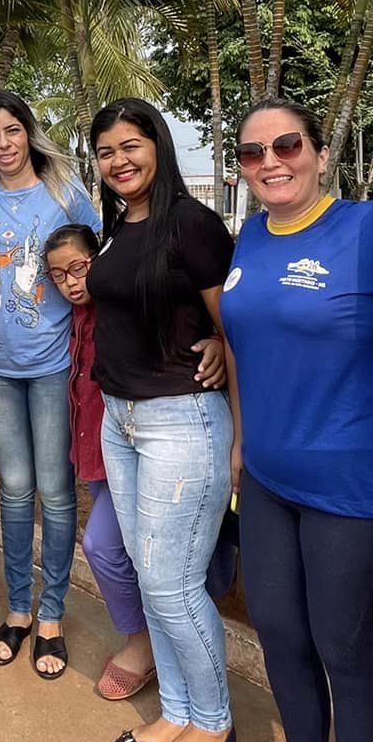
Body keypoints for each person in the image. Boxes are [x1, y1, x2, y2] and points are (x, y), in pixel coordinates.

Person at [210, 98, 373, 742]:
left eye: (287, 145)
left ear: (320, 153)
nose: (270, 161)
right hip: (271, 478)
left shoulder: (372, 230)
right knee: (281, 634)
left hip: (353, 485)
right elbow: (245, 349)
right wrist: (242, 441)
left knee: (347, 652)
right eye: (253, 153)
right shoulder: (251, 236)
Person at [87, 98, 236, 742]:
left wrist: (225, 354)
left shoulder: (193, 224)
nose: (119, 160)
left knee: (173, 584)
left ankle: (213, 721)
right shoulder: (119, 226)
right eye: (107, 150)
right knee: (154, 578)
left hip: (182, 420)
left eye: (131, 145)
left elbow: (234, 322)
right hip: (121, 419)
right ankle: (176, 710)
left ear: (158, 146)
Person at [47, 223, 236, 704]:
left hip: (156, 442)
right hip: (101, 453)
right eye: (57, 275)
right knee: (138, 554)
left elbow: (195, 312)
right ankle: (169, 668)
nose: (70, 282)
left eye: (79, 268)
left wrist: (216, 338)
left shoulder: (127, 305)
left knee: (109, 548)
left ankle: (148, 647)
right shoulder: (73, 321)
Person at [0, 90, 99, 678]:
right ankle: (18, 609)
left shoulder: (66, 195)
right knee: (15, 488)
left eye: (12, 131)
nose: (3, 144)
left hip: (53, 365)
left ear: (28, 133)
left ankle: (52, 614)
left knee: (56, 487)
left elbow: (100, 261)